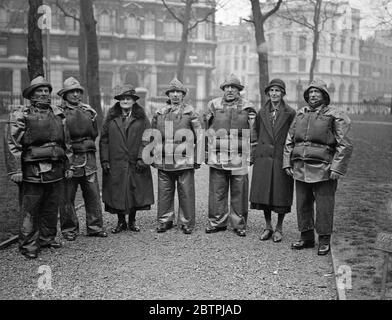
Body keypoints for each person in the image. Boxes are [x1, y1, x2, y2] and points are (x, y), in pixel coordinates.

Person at [4, 76, 73, 259]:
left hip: (56, 168)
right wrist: (15, 170)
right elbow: (13, 143)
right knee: (30, 208)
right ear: (31, 94)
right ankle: (28, 244)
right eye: (39, 91)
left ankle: (47, 238)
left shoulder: (58, 114)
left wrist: (69, 165)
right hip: (32, 170)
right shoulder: (21, 114)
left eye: (46, 91)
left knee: (51, 206)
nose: (43, 94)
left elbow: (67, 143)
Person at [283, 79, 353, 256]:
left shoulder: (335, 114)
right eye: (310, 92)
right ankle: (306, 237)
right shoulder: (300, 113)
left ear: (324, 95)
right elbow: (289, 141)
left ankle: (324, 240)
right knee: (303, 204)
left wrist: (337, 168)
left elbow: (344, 144)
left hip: (324, 169)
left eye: (317, 92)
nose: (313, 95)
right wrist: (287, 162)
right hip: (301, 167)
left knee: (324, 206)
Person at [204, 74, 257, 237]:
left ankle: (239, 223)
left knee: (239, 190)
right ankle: (217, 222)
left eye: (233, 87)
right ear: (223, 89)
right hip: (218, 153)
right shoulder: (213, 105)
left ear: (239, 90)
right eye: (227, 87)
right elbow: (206, 130)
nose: (229, 90)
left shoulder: (248, 107)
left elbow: (254, 132)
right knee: (217, 190)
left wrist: (252, 153)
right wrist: (206, 152)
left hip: (239, 155)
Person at [58, 77, 107, 240]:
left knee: (92, 194)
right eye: (72, 92)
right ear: (64, 95)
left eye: (78, 92)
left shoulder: (89, 111)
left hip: (89, 158)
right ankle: (69, 229)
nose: (76, 95)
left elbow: (94, 133)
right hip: (69, 159)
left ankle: (95, 227)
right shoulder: (59, 113)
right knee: (67, 196)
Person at [151, 78, 202, 234]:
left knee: (186, 191)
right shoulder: (159, 113)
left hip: (184, 159)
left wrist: (198, 158)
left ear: (183, 94)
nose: (175, 95)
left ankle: (187, 222)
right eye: (172, 92)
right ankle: (164, 220)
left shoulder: (190, 112)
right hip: (164, 158)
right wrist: (152, 154)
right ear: (168, 94)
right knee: (164, 191)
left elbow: (200, 135)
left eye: (178, 92)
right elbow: (153, 134)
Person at [99, 85, 154, 233]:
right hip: (116, 161)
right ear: (118, 101)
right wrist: (104, 160)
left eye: (128, 98)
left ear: (133, 101)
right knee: (118, 191)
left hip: (135, 161)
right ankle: (121, 221)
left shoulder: (141, 118)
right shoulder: (110, 118)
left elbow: (148, 138)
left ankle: (132, 221)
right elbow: (104, 140)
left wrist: (143, 158)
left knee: (134, 190)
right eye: (122, 98)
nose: (125, 101)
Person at [250, 79, 296, 243]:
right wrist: (254, 153)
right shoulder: (262, 112)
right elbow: (255, 133)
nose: (274, 93)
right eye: (272, 90)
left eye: (278, 90)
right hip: (264, 158)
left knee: (280, 194)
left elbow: (293, 137)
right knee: (265, 194)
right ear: (268, 93)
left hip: (280, 158)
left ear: (283, 93)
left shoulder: (290, 113)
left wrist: (290, 159)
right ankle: (268, 226)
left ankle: (279, 227)